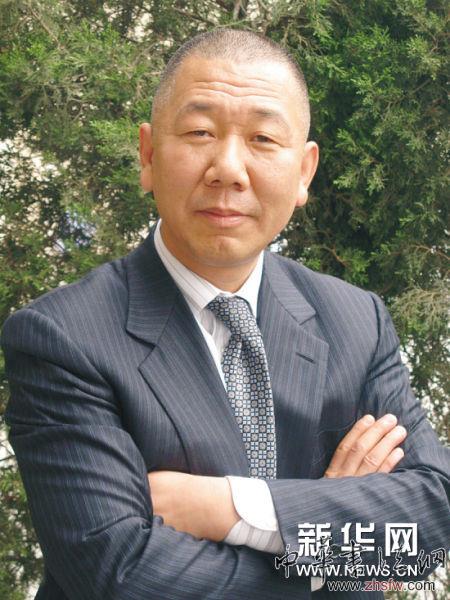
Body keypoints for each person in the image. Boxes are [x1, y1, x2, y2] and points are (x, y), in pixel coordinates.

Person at [2, 29, 449, 600]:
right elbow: (119, 572)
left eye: (263, 138)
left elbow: (433, 515)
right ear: (148, 155)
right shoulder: (64, 337)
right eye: (200, 132)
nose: (229, 169)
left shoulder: (356, 320)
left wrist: (231, 508)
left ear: (304, 172)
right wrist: (337, 554)